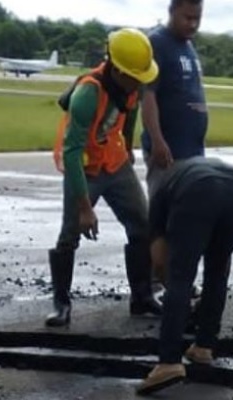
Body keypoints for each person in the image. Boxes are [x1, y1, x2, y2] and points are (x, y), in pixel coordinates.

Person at [46, 28, 163, 328]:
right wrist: (86, 208)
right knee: (69, 234)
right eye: (135, 75)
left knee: (142, 224)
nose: (140, 81)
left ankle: (142, 297)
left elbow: (131, 109)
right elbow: (72, 152)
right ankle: (61, 303)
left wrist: (127, 143)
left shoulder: (131, 86)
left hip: (116, 163)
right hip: (84, 168)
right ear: (118, 70)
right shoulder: (88, 93)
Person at [136, 157, 233, 395]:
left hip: (199, 193)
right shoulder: (187, 172)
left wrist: (176, 298)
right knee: (217, 271)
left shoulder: (159, 196)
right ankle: (204, 346)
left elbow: (160, 261)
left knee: (181, 276)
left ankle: (169, 362)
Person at [141, 0, 207, 195]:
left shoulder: (187, 45)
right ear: (172, 11)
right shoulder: (157, 43)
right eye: (187, 18)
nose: (193, 24)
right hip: (169, 151)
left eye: (197, 19)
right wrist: (157, 141)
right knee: (163, 212)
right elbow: (148, 95)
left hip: (192, 149)